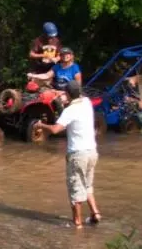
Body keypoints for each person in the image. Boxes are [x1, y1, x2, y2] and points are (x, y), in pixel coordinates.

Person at [37, 80, 101, 228]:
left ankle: (77, 224)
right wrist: (62, 93)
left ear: (67, 94)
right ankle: (95, 213)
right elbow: (76, 95)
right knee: (87, 184)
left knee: (75, 189)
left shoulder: (69, 111)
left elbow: (55, 130)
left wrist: (41, 125)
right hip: (92, 151)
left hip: (78, 154)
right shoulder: (87, 102)